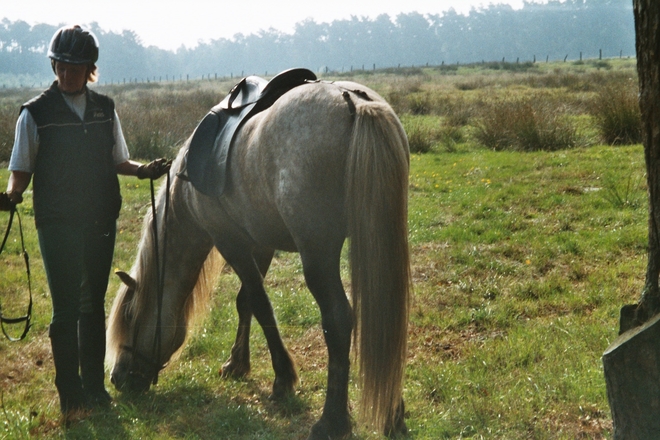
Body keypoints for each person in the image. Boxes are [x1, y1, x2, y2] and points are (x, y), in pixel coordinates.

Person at [0, 25, 170, 418]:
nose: (67, 74)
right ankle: (70, 394)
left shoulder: (104, 109)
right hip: (57, 222)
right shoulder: (35, 113)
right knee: (66, 309)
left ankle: (94, 388)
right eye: (61, 66)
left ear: (90, 69)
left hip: (99, 218)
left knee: (92, 305)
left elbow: (118, 160)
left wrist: (144, 170)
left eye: (76, 68)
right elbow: (21, 168)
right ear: (54, 65)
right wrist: (11, 195)